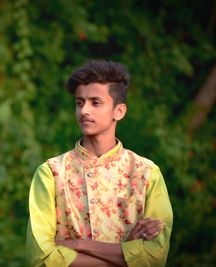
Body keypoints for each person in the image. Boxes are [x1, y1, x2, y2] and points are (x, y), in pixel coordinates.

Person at [26, 60, 173, 267]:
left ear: (119, 111)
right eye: (79, 102)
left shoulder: (147, 173)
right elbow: (40, 258)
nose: (84, 110)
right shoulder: (50, 172)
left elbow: (155, 257)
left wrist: (78, 244)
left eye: (95, 102)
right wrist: (127, 252)